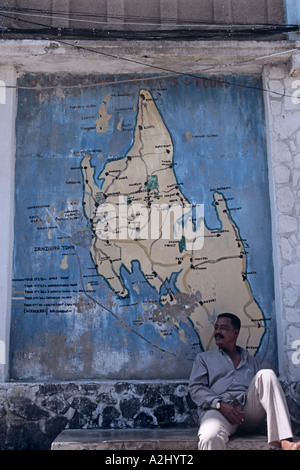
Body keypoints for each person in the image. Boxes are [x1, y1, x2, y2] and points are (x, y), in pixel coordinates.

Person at [188, 312, 300, 450]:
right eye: (216, 327)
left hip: (247, 413)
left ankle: (285, 441)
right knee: (210, 437)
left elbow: (262, 394)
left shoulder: (251, 361)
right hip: (218, 411)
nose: (217, 331)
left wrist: (265, 422)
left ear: (235, 333)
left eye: (223, 328)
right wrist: (219, 404)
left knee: (267, 374)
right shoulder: (204, 358)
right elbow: (195, 389)